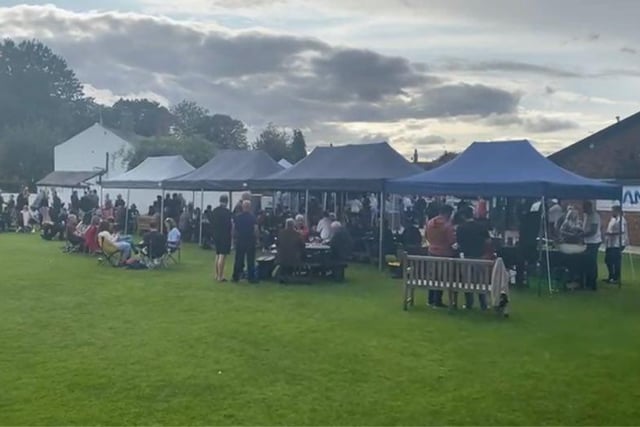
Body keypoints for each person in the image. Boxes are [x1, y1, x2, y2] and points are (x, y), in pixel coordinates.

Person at [456, 207, 490, 309]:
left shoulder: (460, 228)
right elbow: (488, 241)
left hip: (466, 257)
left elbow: (458, 243)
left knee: (467, 281)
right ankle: (483, 303)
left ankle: (469, 303)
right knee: (480, 281)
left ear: (463, 216)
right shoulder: (481, 226)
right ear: (472, 214)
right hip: (479, 256)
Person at [425, 204, 455, 308]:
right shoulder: (447, 225)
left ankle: (430, 299)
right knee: (441, 277)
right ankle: (438, 300)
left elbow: (426, 236)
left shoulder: (429, 223)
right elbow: (452, 241)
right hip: (444, 253)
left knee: (432, 276)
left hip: (431, 251)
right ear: (448, 213)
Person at [232, 200, 258, 283]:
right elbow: (256, 229)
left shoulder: (238, 217)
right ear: (250, 207)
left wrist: (234, 239)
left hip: (240, 239)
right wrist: (256, 239)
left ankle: (235, 277)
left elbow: (234, 230)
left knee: (238, 259)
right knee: (250, 260)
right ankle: (251, 278)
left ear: (242, 207)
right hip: (250, 240)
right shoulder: (253, 217)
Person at [604, 204, 628, 284]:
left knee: (615, 261)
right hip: (610, 243)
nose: (612, 212)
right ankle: (611, 276)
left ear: (617, 211)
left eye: (613, 210)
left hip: (617, 243)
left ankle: (616, 278)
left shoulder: (621, 219)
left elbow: (622, 231)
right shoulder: (613, 219)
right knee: (608, 260)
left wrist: (610, 234)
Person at [582, 201, 602, 290]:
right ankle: (587, 281)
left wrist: (581, 235)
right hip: (587, 241)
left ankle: (593, 283)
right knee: (587, 262)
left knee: (592, 262)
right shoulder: (586, 215)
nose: (583, 209)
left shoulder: (595, 216)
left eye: (585, 207)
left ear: (589, 207)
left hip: (593, 242)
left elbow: (593, 231)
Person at [212, 195, 232, 281]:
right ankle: (221, 276)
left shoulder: (215, 211)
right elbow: (229, 225)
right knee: (222, 255)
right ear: (226, 202)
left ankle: (216, 274)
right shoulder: (227, 212)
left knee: (217, 254)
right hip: (224, 235)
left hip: (216, 234)